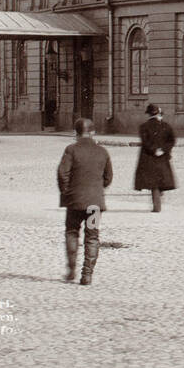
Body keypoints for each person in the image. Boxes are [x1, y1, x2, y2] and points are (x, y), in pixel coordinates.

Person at [57, 117, 113, 285]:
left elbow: (62, 174)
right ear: (93, 132)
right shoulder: (103, 151)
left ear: (76, 133)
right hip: (95, 204)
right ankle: (87, 274)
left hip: (74, 203)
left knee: (72, 232)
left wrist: (67, 192)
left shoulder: (71, 150)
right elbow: (108, 177)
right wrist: (97, 189)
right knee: (93, 236)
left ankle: (71, 270)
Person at [134, 103, 176, 212]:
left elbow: (145, 142)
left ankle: (156, 205)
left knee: (153, 183)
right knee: (161, 178)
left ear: (148, 114)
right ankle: (159, 196)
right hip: (163, 157)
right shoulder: (166, 126)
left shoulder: (143, 127)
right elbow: (172, 140)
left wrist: (154, 150)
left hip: (149, 157)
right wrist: (164, 150)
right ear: (159, 113)